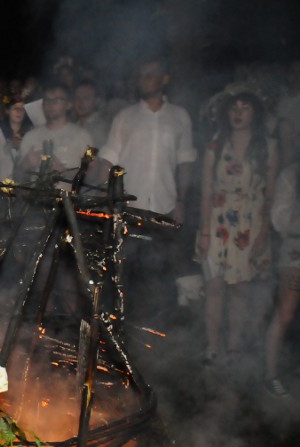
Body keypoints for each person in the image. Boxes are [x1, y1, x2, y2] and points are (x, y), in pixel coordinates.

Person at [97, 56, 197, 322]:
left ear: (164, 79)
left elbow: (185, 161)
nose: (145, 80)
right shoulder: (125, 117)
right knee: (126, 272)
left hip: (165, 207)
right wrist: (102, 194)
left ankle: (159, 330)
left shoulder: (179, 117)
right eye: (141, 76)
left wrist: (182, 201)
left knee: (162, 271)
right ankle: (125, 327)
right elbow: (108, 158)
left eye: (151, 75)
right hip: (130, 207)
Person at [198, 91, 278, 366]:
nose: (238, 113)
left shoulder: (267, 146)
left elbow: (271, 195)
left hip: (250, 225)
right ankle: (211, 346)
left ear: (255, 112)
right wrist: (205, 232)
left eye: (245, 108)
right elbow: (206, 190)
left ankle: (233, 347)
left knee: (241, 289)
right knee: (215, 286)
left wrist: (264, 232)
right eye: (234, 108)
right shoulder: (216, 145)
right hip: (218, 221)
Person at [264, 159, 300, 397]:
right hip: (296, 248)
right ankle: (270, 376)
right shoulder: (293, 173)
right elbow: (279, 217)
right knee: (285, 313)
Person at [17, 83, 94, 180]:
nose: (51, 104)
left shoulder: (82, 136)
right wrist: (26, 164)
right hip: (36, 194)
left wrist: (63, 172)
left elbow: (92, 177)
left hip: (67, 194)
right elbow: (16, 178)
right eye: (47, 100)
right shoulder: (30, 137)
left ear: (68, 105)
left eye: (56, 101)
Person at [0, 94, 32, 179]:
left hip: (24, 185)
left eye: (22, 109)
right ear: (7, 111)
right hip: (1, 183)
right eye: (15, 108)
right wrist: (10, 146)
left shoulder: (30, 133)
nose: (19, 112)